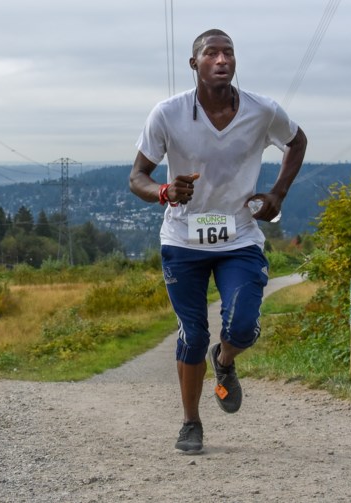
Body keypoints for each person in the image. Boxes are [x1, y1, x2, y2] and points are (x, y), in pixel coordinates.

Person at [128, 28, 307, 454]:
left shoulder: (263, 111)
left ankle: (224, 361)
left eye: (228, 53)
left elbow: (296, 142)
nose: (221, 60)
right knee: (192, 333)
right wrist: (166, 192)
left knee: (242, 325)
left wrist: (277, 193)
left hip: (239, 237)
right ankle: (191, 422)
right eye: (211, 53)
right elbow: (137, 178)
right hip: (183, 240)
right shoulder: (167, 114)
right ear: (195, 64)